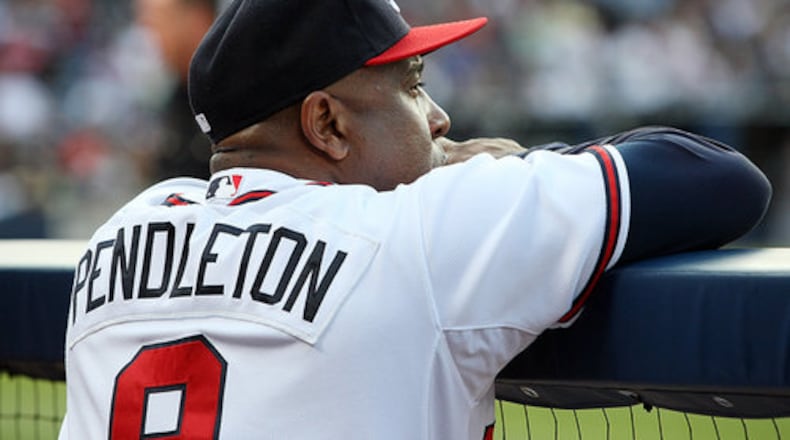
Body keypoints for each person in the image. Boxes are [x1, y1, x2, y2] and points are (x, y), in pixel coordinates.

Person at [58, 0, 771, 439]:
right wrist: (504, 162)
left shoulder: (122, 233)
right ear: (327, 124)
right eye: (412, 86)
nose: (439, 119)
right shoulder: (417, 235)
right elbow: (717, 179)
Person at [135, 0, 218, 180]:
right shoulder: (173, 100)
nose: (149, 34)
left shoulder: (237, 94)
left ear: (197, 20)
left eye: (156, 21)